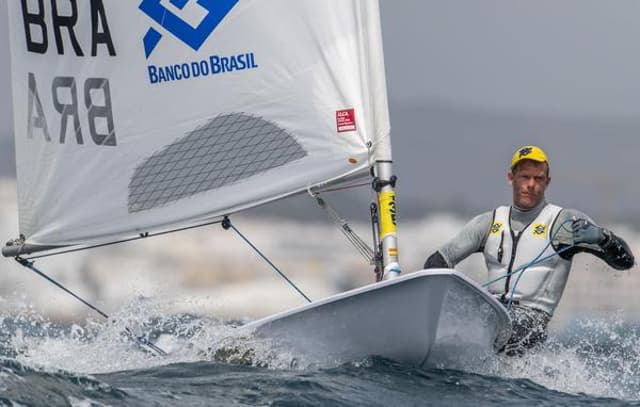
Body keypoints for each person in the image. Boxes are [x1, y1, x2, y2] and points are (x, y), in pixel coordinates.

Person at [423, 145, 635, 355]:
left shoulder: (563, 223)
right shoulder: (489, 222)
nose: (531, 185)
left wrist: (604, 238)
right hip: (490, 315)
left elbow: (625, 262)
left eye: (538, 178)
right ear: (511, 178)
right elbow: (438, 261)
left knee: (497, 330)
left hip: (530, 323)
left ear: (547, 182)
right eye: (524, 177)